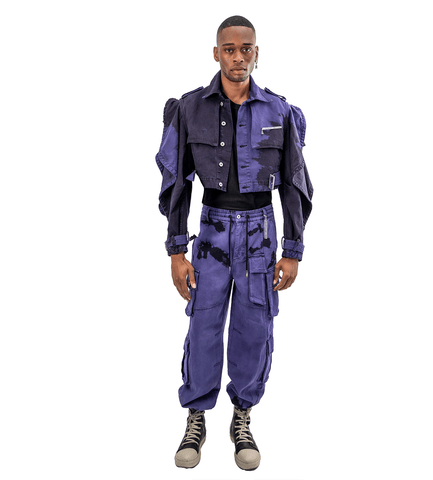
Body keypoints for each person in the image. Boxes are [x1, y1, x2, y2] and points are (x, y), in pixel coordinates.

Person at [155, 15, 313, 471]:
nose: (238, 57)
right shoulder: (190, 108)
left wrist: (293, 250)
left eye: (246, 49)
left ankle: (242, 416)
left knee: (254, 328)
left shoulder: (279, 112)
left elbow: (295, 183)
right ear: (216, 53)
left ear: (257, 54)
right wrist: (176, 251)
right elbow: (177, 183)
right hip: (211, 233)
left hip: (261, 234)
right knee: (202, 327)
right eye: (229, 49)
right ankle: (196, 417)